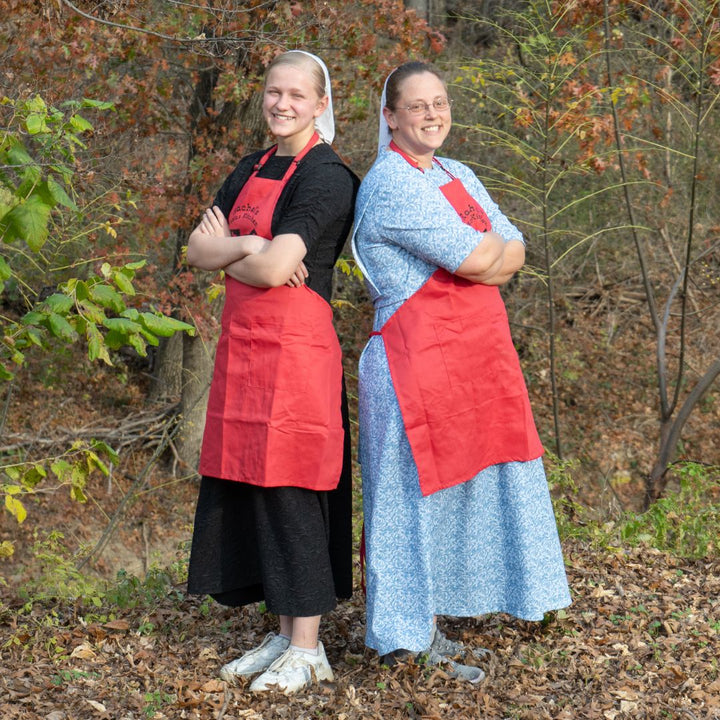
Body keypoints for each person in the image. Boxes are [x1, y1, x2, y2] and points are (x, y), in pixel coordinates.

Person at [352, 61, 571, 681]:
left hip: (472, 361)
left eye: (439, 102)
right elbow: (482, 253)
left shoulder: (458, 173)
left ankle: (429, 626)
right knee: (406, 496)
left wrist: (488, 258)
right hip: (410, 361)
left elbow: (514, 249)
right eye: (416, 106)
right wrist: (486, 258)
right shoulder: (390, 184)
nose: (431, 114)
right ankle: (402, 639)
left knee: (458, 493)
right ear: (390, 117)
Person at [185, 50, 358, 694]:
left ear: (321, 104)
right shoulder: (249, 167)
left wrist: (238, 253)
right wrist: (251, 247)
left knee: (291, 487)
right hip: (246, 353)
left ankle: (310, 648)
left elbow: (250, 262)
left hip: (297, 357)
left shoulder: (328, 177)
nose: (281, 104)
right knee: (254, 484)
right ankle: (283, 633)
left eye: (295, 95)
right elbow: (196, 247)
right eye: (272, 92)